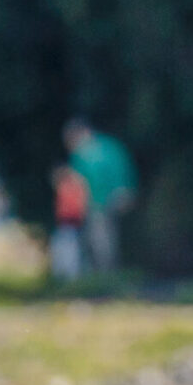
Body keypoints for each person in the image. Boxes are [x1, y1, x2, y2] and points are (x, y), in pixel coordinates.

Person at [63, 117, 135, 273]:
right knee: (99, 237)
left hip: (104, 201)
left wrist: (124, 191)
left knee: (102, 237)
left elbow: (121, 171)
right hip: (93, 203)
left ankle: (107, 272)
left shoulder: (107, 148)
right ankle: (103, 273)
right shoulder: (80, 155)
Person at [50, 164, 89, 282]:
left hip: (70, 223)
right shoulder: (70, 188)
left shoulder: (70, 188)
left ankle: (71, 277)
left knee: (70, 251)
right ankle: (65, 277)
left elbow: (74, 208)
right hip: (67, 223)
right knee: (65, 249)